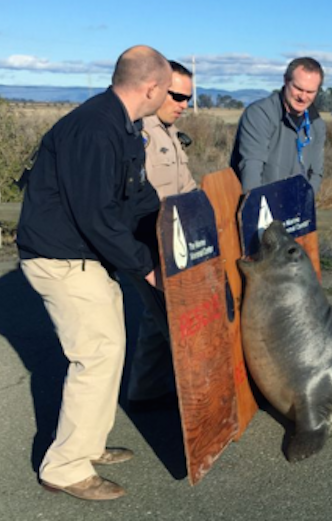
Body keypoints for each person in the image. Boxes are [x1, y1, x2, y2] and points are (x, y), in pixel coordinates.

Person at [16, 45, 171, 501]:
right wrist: (146, 269)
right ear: (152, 87)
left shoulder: (124, 126)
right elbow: (96, 215)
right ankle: (65, 467)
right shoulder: (94, 129)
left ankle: (88, 445)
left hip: (87, 256)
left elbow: (137, 199)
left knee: (109, 348)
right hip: (62, 258)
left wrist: (167, 232)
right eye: (168, 91)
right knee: (97, 354)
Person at [127, 60, 197, 411]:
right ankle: (200, 407)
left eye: (189, 97)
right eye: (178, 95)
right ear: (157, 88)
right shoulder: (139, 133)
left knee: (156, 319)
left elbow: (186, 186)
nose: (184, 103)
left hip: (173, 240)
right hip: (149, 243)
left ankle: (145, 390)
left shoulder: (168, 130)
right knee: (177, 322)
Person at [230, 57, 326, 194]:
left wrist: (306, 203)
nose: (303, 97)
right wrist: (256, 208)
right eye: (298, 88)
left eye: (310, 92)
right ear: (286, 81)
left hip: (296, 208)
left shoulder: (316, 124)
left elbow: (316, 172)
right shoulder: (260, 114)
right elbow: (251, 168)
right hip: (261, 205)